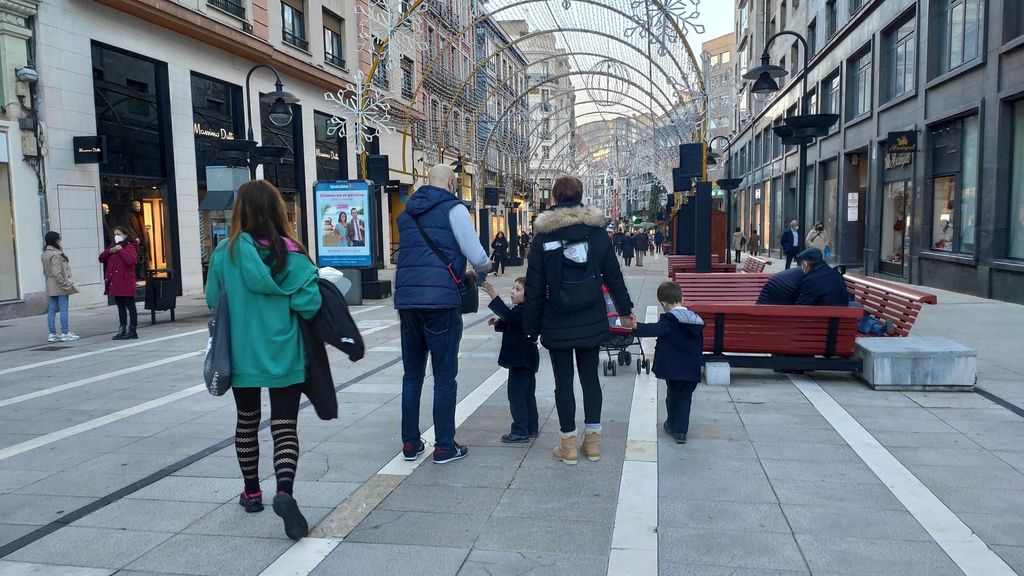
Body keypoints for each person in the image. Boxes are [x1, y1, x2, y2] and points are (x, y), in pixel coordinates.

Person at [205, 179, 322, 541]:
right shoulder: (294, 254)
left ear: (240, 211)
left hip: (242, 354)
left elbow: (213, 298)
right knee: (284, 426)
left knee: (247, 421)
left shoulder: (226, 252)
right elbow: (310, 304)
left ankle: (251, 492)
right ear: (276, 211)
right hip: (284, 352)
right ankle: (284, 492)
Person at [523, 175, 633, 465]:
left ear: (554, 197)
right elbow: (613, 275)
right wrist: (625, 310)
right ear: (581, 196)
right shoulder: (596, 234)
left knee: (563, 381)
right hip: (591, 316)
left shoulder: (543, 238)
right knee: (589, 377)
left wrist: (530, 329)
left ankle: (568, 445)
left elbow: (534, 289)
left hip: (557, 319)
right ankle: (593, 443)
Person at [394, 164, 491, 464]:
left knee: (412, 375)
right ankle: (444, 446)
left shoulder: (406, 213)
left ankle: (410, 444)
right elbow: (476, 255)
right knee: (444, 376)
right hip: (441, 303)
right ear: (451, 182)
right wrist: (484, 269)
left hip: (408, 303)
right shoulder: (455, 210)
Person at [621, 282, 704, 443]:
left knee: (672, 395)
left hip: (673, 368)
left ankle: (671, 424)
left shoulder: (670, 320)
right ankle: (681, 431)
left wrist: (635, 326)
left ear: (663, 303)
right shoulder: (696, 321)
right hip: (691, 369)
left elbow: (654, 329)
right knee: (685, 398)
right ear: (682, 298)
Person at [483, 278, 539, 443]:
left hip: (520, 361)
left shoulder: (523, 311)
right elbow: (512, 323)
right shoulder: (524, 310)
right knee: (528, 395)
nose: (513, 291)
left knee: (516, 396)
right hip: (526, 360)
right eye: (513, 288)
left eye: (518, 289)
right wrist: (498, 323)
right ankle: (532, 427)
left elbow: (510, 317)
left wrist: (494, 295)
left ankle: (520, 430)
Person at [99, 227, 140, 340]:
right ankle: (122, 329)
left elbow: (131, 260)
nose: (116, 236)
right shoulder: (113, 246)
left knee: (130, 307)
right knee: (120, 308)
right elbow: (101, 258)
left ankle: (132, 330)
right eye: (115, 234)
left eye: (119, 234)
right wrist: (109, 251)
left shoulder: (130, 246)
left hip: (126, 282)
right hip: (116, 283)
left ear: (125, 235)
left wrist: (120, 250)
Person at [41, 231, 80, 342]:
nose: (60, 241)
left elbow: (45, 271)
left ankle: (52, 334)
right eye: (59, 239)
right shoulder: (56, 254)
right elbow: (57, 272)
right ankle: (65, 333)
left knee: (52, 310)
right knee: (63, 309)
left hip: (49, 283)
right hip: (59, 284)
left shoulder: (44, 253)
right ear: (55, 240)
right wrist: (65, 284)